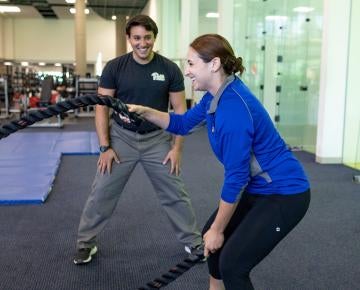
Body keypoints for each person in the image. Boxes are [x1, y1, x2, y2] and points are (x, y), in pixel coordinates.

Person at [128, 34, 311, 290]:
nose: (187, 71)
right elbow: (181, 123)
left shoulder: (233, 110)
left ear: (213, 64)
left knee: (233, 265)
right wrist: (145, 111)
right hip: (259, 188)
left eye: (191, 64)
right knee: (213, 248)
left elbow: (236, 178)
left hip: (285, 194)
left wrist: (218, 230)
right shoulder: (215, 97)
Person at [73, 15, 202, 265]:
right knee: (102, 191)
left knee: (175, 191)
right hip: (122, 138)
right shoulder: (114, 67)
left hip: (157, 139)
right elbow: (102, 109)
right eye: (137, 38)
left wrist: (176, 148)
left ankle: (193, 241)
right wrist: (105, 147)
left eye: (147, 37)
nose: (142, 43)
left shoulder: (169, 69)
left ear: (154, 38)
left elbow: (179, 112)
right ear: (129, 39)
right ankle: (85, 243)